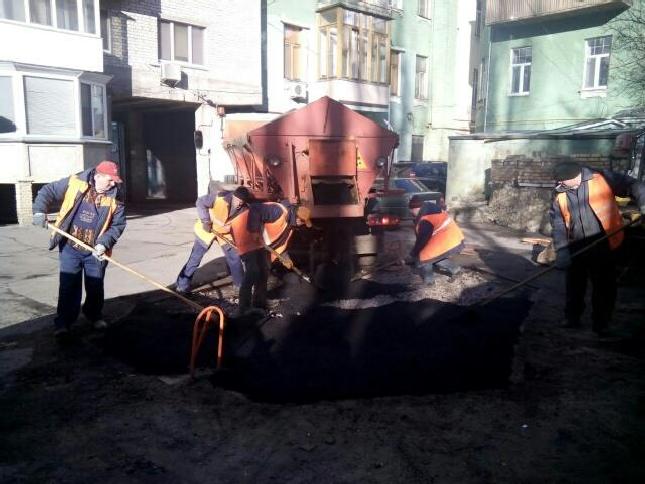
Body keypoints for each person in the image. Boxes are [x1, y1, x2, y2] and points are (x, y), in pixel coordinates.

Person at [549, 161, 645, 336]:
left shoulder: (603, 178)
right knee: (574, 285)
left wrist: (644, 203)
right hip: (577, 245)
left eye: (563, 180)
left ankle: (601, 323)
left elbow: (634, 185)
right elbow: (558, 224)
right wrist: (561, 250)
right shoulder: (559, 193)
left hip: (604, 242)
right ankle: (572, 318)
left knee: (604, 286)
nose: (559, 183)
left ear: (576, 176)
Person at [32, 161, 126, 336]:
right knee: (69, 285)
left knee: (95, 285)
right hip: (70, 247)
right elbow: (48, 190)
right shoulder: (75, 182)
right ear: (97, 176)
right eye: (110, 180)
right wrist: (39, 210)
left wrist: (104, 243)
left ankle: (94, 315)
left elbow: (117, 225)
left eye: (115, 180)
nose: (113, 183)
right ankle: (64, 323)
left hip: (96, 251)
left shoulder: (116, 197)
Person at [232, 201, 312, 315]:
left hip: (259, 242)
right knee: (253, 271)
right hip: (246, 234)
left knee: (264, 269)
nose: (302, 225)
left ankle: (259, 303)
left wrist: (285, 258)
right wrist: (254, 231)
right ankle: (243, 308)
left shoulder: (290, 224)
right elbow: (255, 208)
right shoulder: (278, 211)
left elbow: (280, 243)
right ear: (298, 219)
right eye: (303, 222)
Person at [175, 186, 253, 295]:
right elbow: (200, 202)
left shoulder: (245, 209)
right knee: (195, 259)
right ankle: (182, 285)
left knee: (234, 258)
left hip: (224, 234)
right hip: (207, 230)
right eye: (238, 200)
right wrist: (206, 221)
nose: (239, 203)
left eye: (242, 202)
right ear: (233, 196)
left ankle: (240, 286)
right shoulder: (219, 198)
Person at [407, 201, 465, 285]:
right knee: (435, 257)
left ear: (415, 209)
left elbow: (422, 240)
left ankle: (429, 282)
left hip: (447, 238)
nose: (411, 214)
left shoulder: (425, 219)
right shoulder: (430, 210)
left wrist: (414, 252)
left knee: (425, 257)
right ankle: (456, 269)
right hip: (452, 237)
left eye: (411, 212)